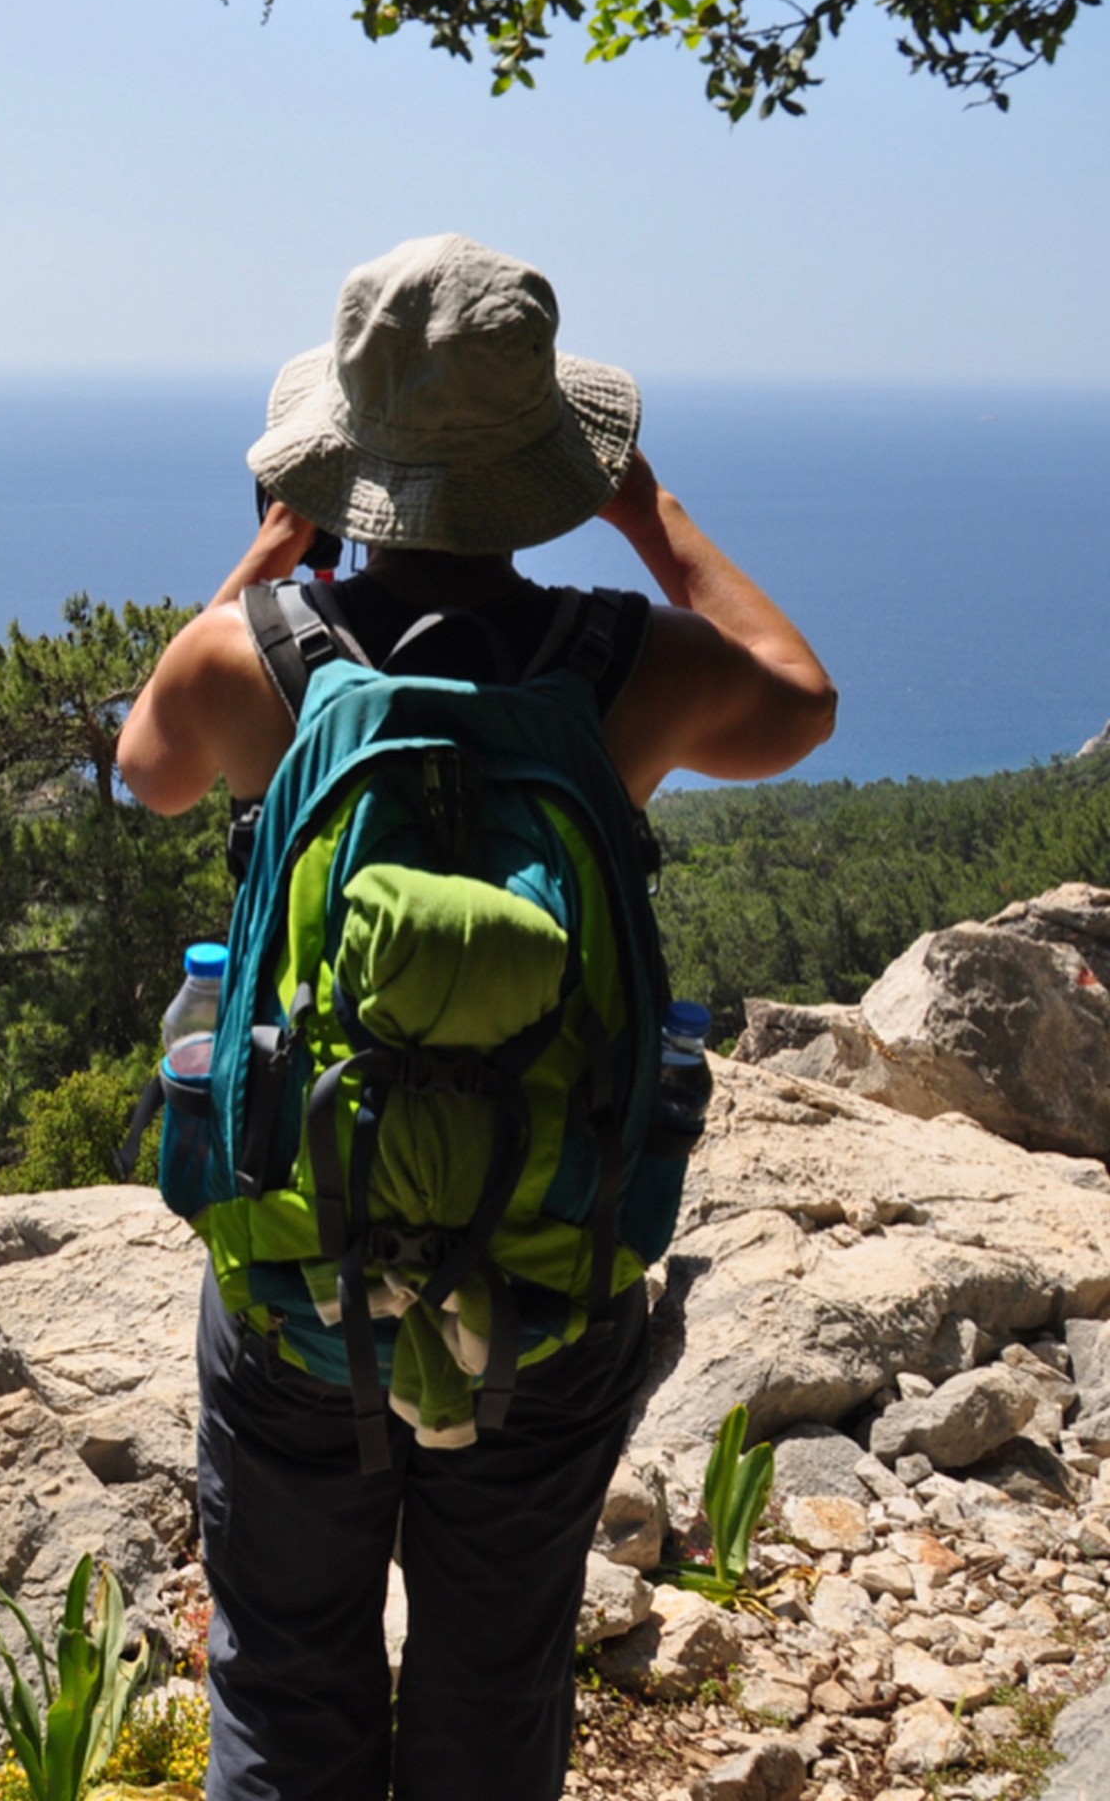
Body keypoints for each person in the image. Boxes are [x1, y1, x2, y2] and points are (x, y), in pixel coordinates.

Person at [113, 234, 836, 1801]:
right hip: (551, 1275)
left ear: (339, 466)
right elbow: (802, 695)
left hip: (303, 1278)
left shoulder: (255, 658)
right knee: (496, 1671)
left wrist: (261, 566)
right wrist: (651, 516)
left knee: (284, 1672)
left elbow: (144, 773)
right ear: (550, 470)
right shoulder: (624, 667)